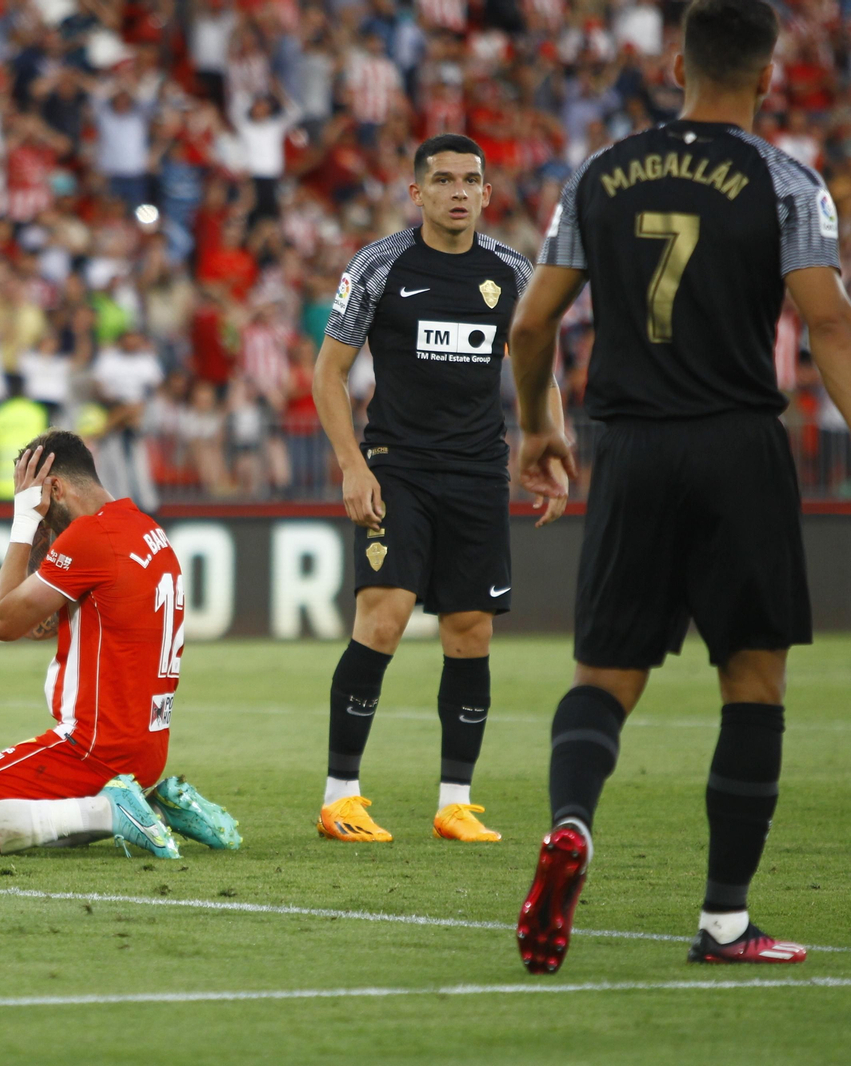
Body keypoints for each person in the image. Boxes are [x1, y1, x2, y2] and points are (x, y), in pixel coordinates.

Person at [508, 0, 851, 972]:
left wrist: (537, 425)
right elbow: (828, 325)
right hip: (740, 446)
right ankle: (724, 921)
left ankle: (572, 822)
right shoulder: (785, 180)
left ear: (673, 68)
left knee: (604, 678)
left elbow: (532, 325)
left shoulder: (598, 175)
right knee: (753, 681)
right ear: (770, 77)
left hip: (631, 449)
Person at [310, 133, 568, 845]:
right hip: (398, 467)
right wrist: (351, 465)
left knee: (470, 632)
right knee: (384, 618)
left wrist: (549, 445)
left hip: (479, 472)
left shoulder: (513, 273)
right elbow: (328, 373)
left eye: (472, 180)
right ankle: (341, 797)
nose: (459, 191)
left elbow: (538, 369)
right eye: (445, 180)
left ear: (487, 194)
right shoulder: (381, 266)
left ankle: (456, 801)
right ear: (416, 192)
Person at [0, 430, 240, 858]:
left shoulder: (91, 538)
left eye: (40, 502)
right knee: (50, 830)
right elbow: (43, 624)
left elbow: (4, 622)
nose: (45, 520)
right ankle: (151, 807)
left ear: (55, 488)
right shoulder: (148, 530)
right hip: (147, 751)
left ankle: (109, 811)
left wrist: (24, 521)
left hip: (91, 748)